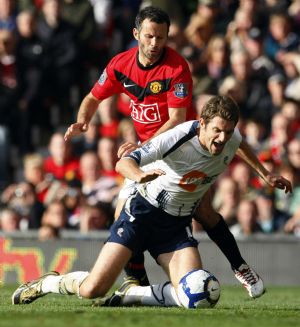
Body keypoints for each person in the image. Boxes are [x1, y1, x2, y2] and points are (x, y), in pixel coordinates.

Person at [63, 6, 281, 297]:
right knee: (129, 212)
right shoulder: (120, 64)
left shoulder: (176, 67)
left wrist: (143, 147)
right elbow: (93, 96)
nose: (155, 44)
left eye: (161, 38)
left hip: (183, 146)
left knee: (198, 209)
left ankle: (236, 266)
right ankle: (138, 280)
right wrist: (83, 119)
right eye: (150, 37)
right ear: (136, 34)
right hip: (151, 149)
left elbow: (177, 121)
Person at [12, 96, 292, 307]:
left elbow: (240, 144)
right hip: (141, 214)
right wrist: (141, 175)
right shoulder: (178, 139)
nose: (223, 139)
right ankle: (49, 282)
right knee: (92, 290)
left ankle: (133, 294)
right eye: (217, 131)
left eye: (228, 132)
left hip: (175, 226)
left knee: (196, 294)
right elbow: (124, 163)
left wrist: (265, 174)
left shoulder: (230, 137)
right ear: (202, 124)